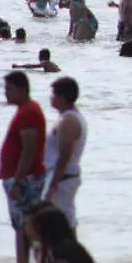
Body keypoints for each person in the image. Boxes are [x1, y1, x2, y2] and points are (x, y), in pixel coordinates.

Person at [0, 70, 47, 263]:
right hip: (21, 177)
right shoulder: (25, 110)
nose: (6, 93)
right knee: (24, 228)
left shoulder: (28, 112)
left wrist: (18, 180)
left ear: (22, 89)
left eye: (9, 89)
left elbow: (29, 148)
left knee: (26, 228)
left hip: (25, 179)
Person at [43, 76, 86, 231]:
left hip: (63, 178)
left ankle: (70, 246)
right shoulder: (66, 117)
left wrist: (53, 184)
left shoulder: (69, 121)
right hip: (62, 177)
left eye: (54, 94)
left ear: (63, 97)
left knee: (62, 223)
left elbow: (65, 155)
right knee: (61, 221)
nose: (51, 98)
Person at [25, 205, 108, 263]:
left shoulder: (57, 253)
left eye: (28, 224)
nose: (26, 228)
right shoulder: (74, 247)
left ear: (41, 228)